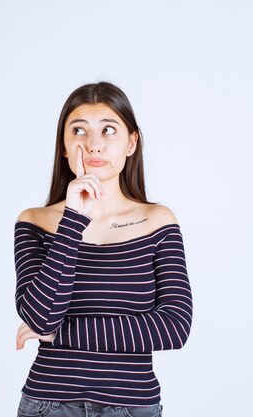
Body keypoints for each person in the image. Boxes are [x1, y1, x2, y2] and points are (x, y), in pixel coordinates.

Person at [13, 82, 193, 417]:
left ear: (131, 142)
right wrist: (73, 219)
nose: (94, 144)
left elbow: (174, 326)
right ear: (64, 147)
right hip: (49, 404)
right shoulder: (34, 221)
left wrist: (60, 334)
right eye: (78, 130)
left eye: (108, 130)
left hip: (132, 406)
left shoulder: (158, 221)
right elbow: (39, 317)